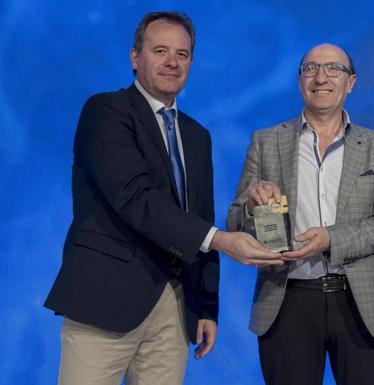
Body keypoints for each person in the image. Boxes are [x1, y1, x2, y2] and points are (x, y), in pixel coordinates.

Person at [44, 11, 281, 385]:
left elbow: (200, 214)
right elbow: (136, 199)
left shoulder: (197, 135)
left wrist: (206, 306)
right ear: (135, 58)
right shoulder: (106, 112)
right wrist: (221, 239)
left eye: (182, 54)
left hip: (174, 307)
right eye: (160, 51)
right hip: (105, 302)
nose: (172, 62)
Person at [227, 43, 374, 385]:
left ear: (350, 82)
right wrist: (251, 206)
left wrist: (330, 239)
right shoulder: (266, 142)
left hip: (360, 303)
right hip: (287, 300)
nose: (321, 77)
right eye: (310, 69)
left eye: (333, 69)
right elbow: (235, 221)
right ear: (299, 81)